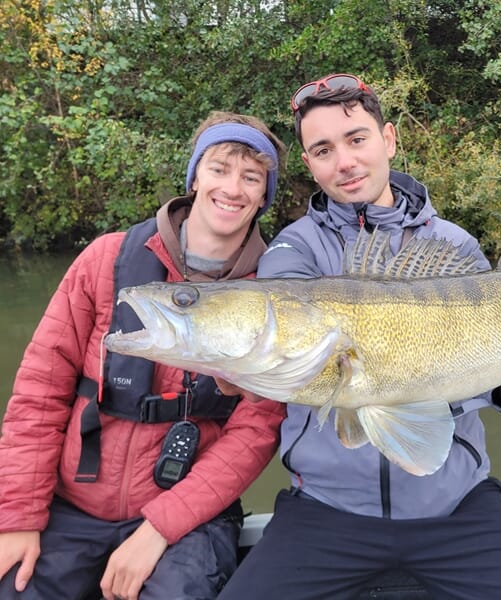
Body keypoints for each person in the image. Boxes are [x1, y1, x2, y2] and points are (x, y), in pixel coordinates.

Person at [220, 75, 501, 600]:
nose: (344, 161)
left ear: (388, 139)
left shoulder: (453, 245)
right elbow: (290, 342)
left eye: (356, 139)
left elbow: (484, 360)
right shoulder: (293, 252)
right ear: (310, 164)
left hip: (456, 505)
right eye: (323, 150)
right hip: (326, 511)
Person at [0, 111, 287, 600]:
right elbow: (38, 395)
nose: (233, 188)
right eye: (219, 168)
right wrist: (19, 517)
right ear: (195, 176)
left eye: (252, 177)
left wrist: (160, 528)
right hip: (73, 505)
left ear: (264, 196)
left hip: (188, 515)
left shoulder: (275, 296)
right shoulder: (104, 260)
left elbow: (256, 432)